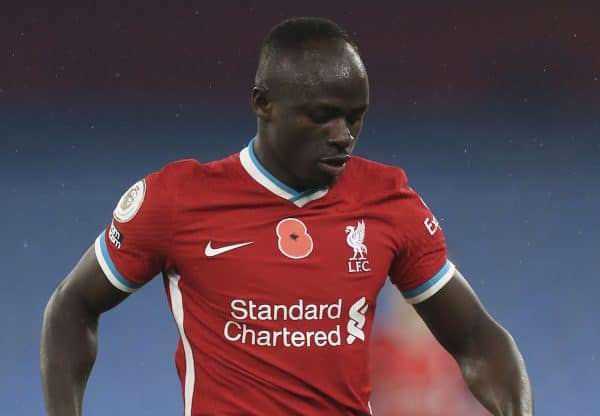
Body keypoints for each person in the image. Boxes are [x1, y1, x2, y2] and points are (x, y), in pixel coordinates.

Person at [41, 17, 533, 416]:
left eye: (355, 116)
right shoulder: (177, 201)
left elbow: (477, 340)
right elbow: (71, 307)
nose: (344, 134)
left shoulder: (388, 202)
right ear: (264, 103)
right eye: (323, 116)